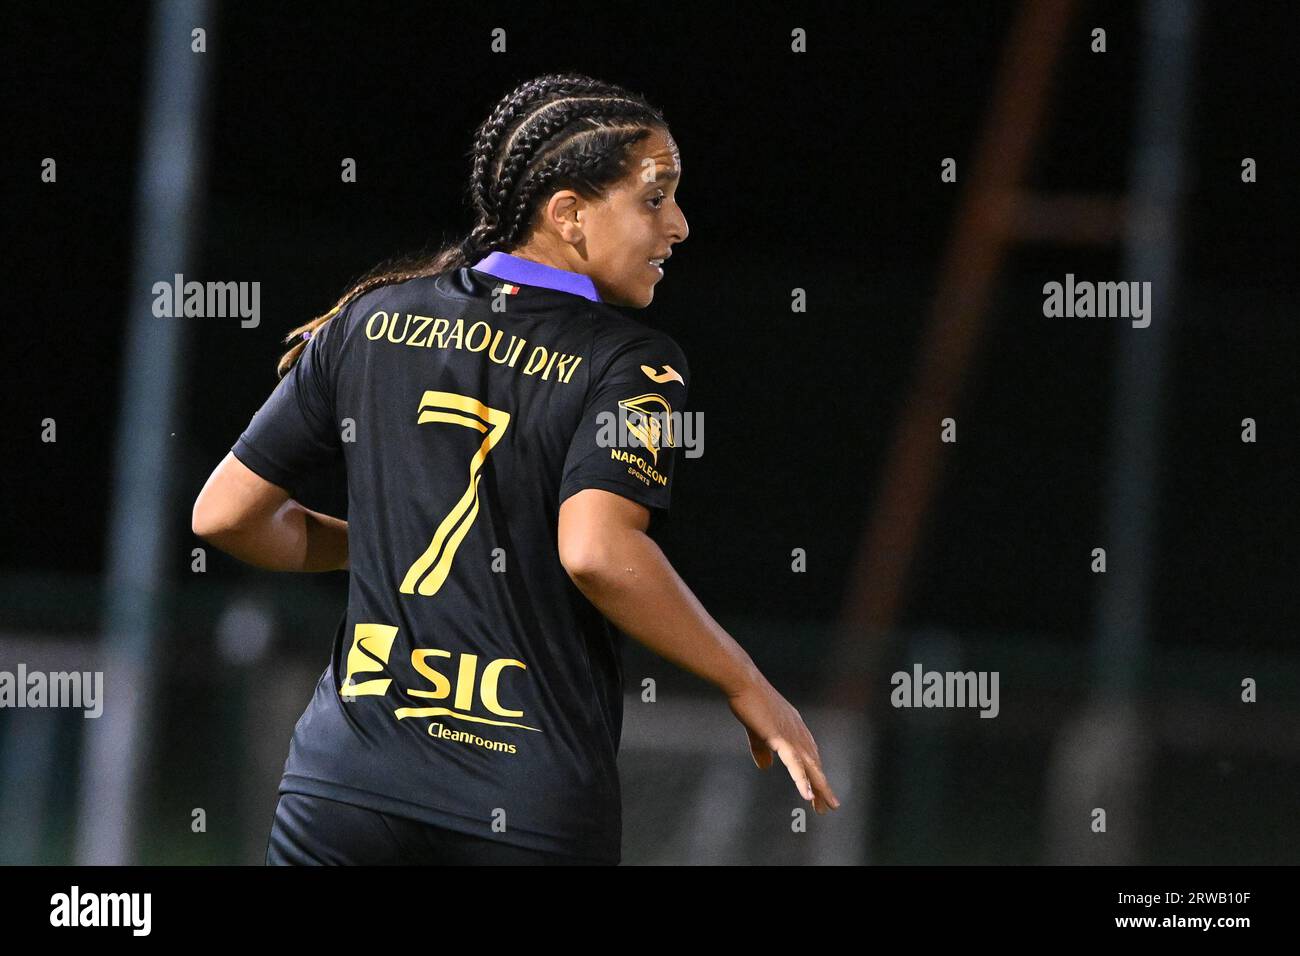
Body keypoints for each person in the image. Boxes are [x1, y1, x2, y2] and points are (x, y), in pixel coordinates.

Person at [192, 72, 839, 866]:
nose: (679, 224)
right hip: (522, 802)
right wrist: (746, 682)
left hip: (344, 787)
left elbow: (224, 516)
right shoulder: (630, 360)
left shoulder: (372, 317)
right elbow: (599, 552)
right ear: (567, 213)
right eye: (654, 197)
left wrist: (382, 542)